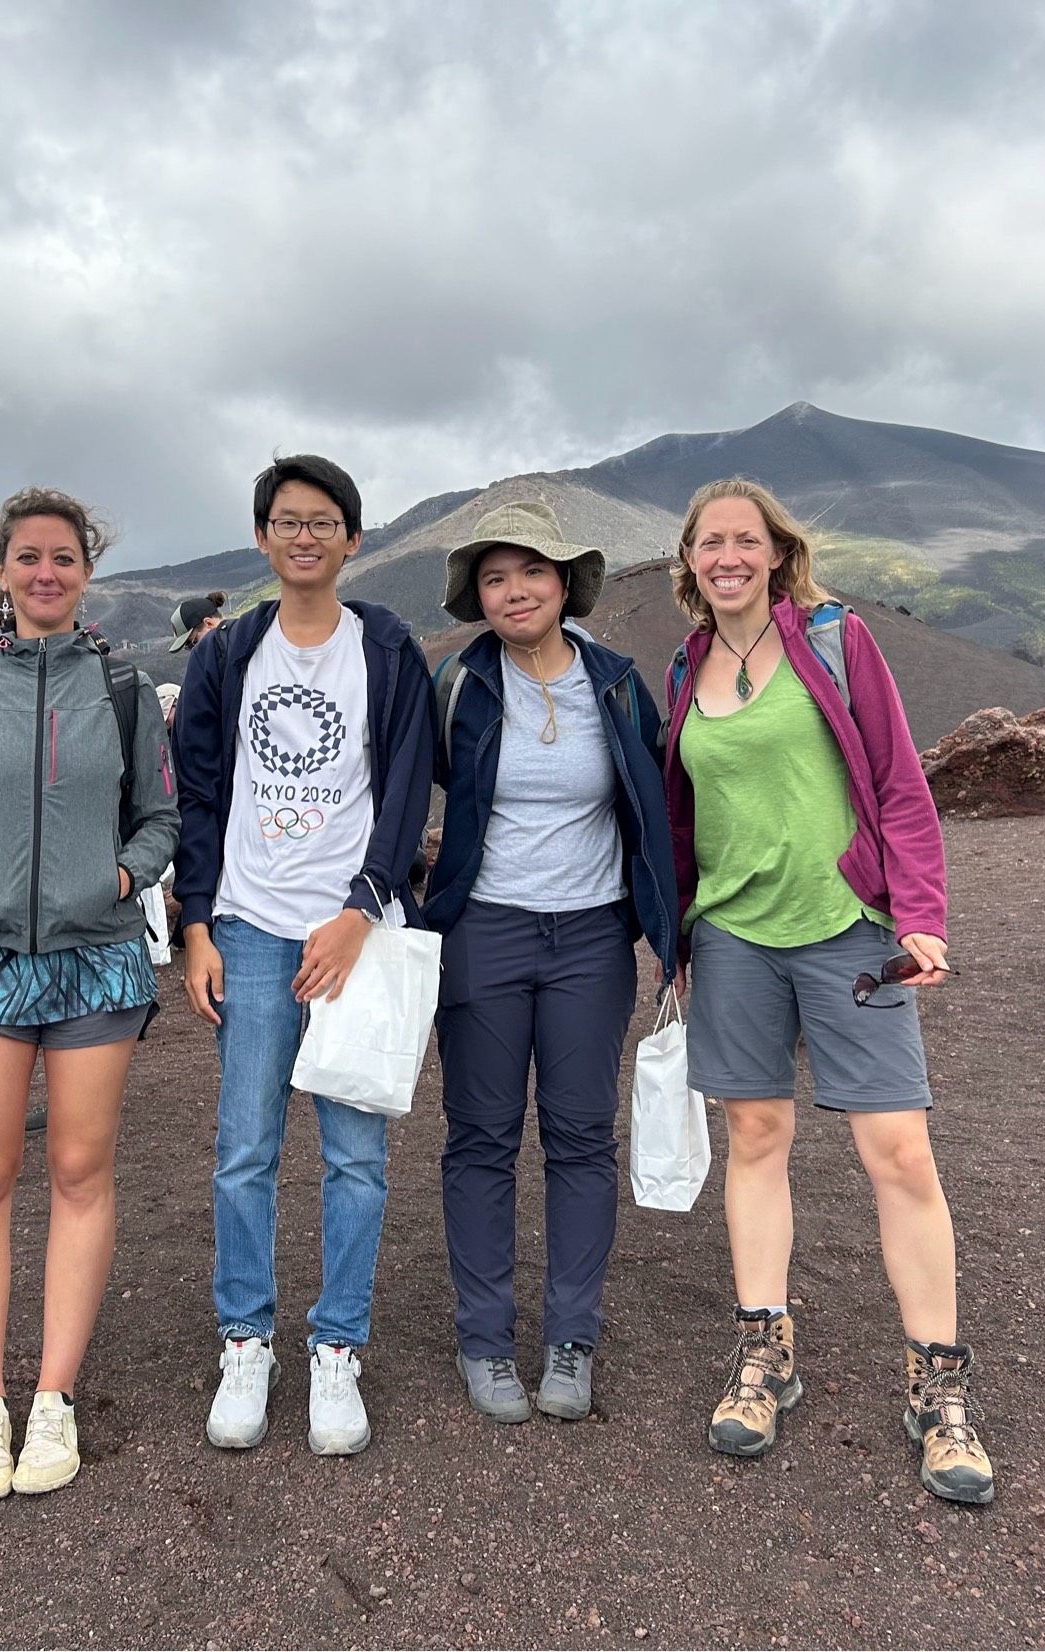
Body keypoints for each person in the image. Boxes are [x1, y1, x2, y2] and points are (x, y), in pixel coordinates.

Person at [661, 477, 994, 1505]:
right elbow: (676, 809)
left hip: (846, 930)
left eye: (743, 539)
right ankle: (764, 1351)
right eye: (708, 541)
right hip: (729, 937)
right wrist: (670, 930)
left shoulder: (838, 642)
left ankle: (936, 1382)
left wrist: (920, 910)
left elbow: (899, 781)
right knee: (754, 1137)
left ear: (773, 551)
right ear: (688, 561)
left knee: (895, 1146)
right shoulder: (682, 666)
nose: (726, 554)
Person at [0, 487, 178, 1502]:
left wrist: (116, 877)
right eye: (29, 556)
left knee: (76, 1167)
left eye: (64, 557)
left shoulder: (121, 684)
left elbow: (158, 816)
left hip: (95, 957)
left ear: (85, 571)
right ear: (3, 566)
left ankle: (52, 1393)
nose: (46, 572)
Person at [173, 454, 435, 1457]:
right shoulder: (230, 651)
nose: (303, 536)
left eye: (322, 521)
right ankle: (246, 1338)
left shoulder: (386, 645)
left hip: (352, 932)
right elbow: (198, 794)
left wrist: (363, 904)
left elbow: (407, 783)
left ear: (352, 538)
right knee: (244, 1149)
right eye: (285, 521)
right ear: (261, 538)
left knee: (354, 1155)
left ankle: (336, 1348)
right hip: (246, 923)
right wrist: (195, 921)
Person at [425, 501, 678, 1424]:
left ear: (565, 583)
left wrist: (671, 928)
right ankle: (485, 1340)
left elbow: (654, 799)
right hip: (483, 932)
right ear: (477, 596)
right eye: (495, 577)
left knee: (580, 1135)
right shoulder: (458, 685)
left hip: (592, 939)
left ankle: (572, 1337)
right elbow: (418, 785)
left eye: (531, 571)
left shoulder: (613, 682)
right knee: (481, 1138)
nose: (514, 590)